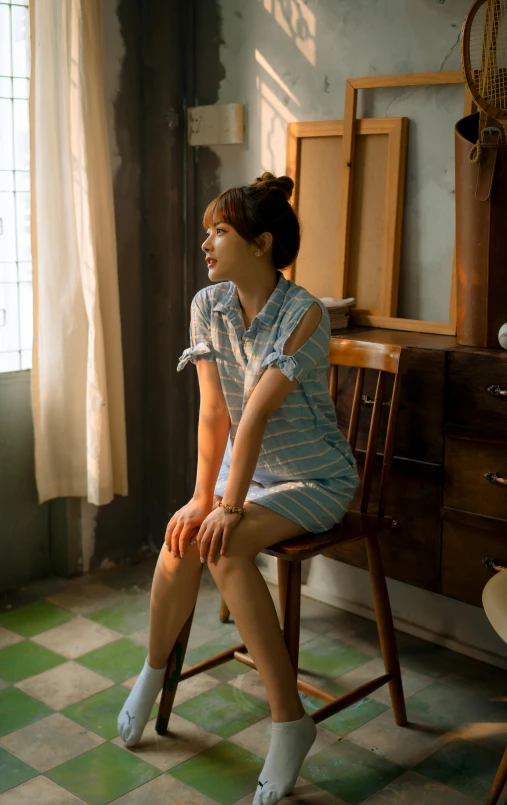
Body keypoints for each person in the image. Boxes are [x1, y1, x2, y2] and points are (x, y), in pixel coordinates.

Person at [118, 172, 360, 805]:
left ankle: (290, 723)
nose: (207, 244)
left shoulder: (304, 312)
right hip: (243, 472)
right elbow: (215, 415)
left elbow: (252, 413)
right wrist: (206, 499)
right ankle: (151, 671)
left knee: (223, 546)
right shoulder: (209, 305)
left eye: (219, 232)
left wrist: (227, 506)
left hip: (315, 476)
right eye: (208, 232)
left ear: (261, 243)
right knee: (183, 534)